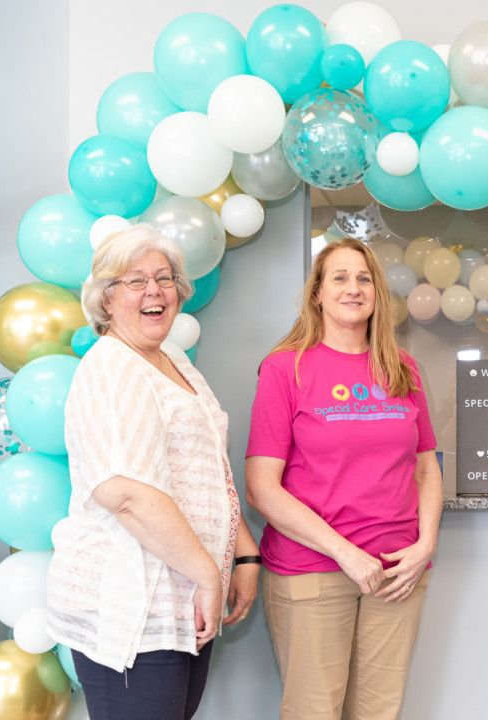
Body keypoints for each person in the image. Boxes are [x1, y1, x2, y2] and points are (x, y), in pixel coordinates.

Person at [47, 225, 260, 720]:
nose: (154, 291)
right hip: (132, 605)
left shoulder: (176, 361)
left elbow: (208, 475)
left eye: (164, 278)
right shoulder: (111, 368)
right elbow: (127, 495)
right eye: (135, 280)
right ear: (106, 299)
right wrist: (209, 572)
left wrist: (242, 556)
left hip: (182, 600)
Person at [246, 238, 442, 720]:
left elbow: (426, 466)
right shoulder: (285, 368)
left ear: (377, 293)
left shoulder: (402, 368)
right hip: (313, 571)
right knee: (314, 712)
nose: (353, 288)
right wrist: (345, 553)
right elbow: (261, 486)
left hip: (398, 572)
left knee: (378, 713)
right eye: (339, 277)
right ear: (317, 293)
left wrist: (427, 544)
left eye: (364, 278)